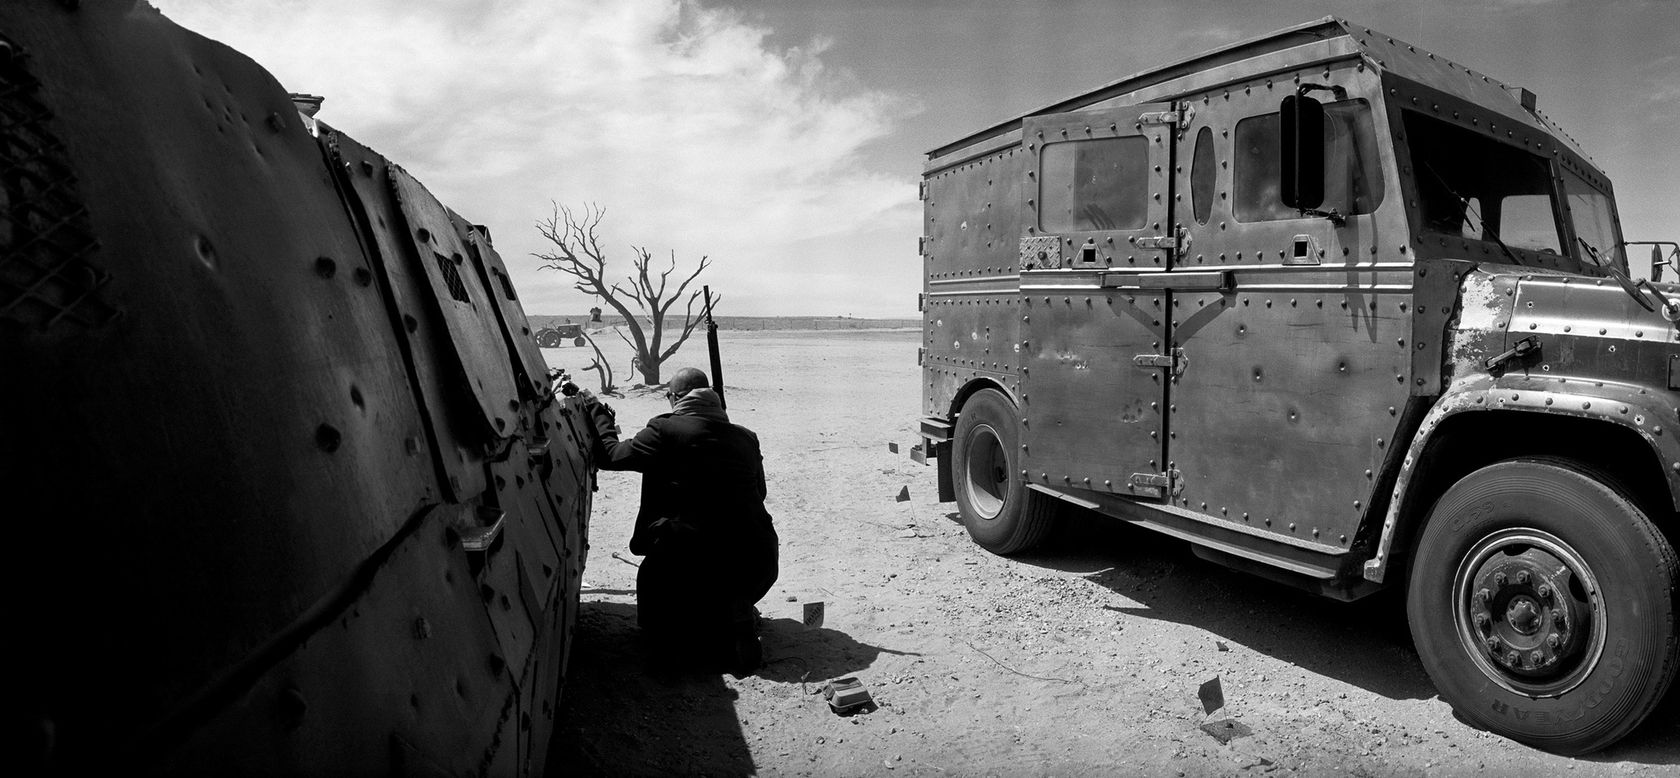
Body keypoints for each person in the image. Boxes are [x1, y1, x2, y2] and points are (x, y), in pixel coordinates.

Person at [582, 367, 778, 674]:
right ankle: (733, 617)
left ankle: (682, 643)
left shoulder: (665, 430)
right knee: (721, 592)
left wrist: (597, 411)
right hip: (758, 560)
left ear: (674, 398)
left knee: (656, 589)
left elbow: (612, 456)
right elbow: (760, 492)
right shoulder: (746, 437)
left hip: (692, 559)